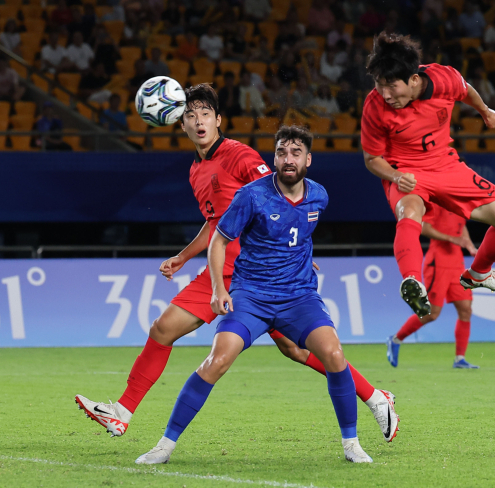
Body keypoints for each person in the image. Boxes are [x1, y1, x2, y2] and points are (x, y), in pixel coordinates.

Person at [75, 84, 399, 446]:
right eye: (190, 116)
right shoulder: (196, 171)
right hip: (225, 268)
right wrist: (184, 256)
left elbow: (276, 196)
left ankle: (374, 397)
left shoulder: (239, 155)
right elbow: (216, 223)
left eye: (205, 115)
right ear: (180, 124)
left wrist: (294, 249)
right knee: (173, 331)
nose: (199, 122)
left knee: (296, 349)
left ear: (218, 120)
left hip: (254, 272)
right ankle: (122, 413)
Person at [134, 125, 376, 465]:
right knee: (216, 361)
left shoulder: (319, 196)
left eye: (295, 153)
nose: (287, 160)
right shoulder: (251, 195)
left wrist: (304, 261)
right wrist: (219, 288)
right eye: (281, 153)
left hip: (298, 298)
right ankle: (165, 445)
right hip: (251, 296)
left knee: (334, 354)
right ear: (273, 157)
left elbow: (299, 235)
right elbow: (219, 240)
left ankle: (351, 444)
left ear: (308, 158)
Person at [360, 32, 495, 319]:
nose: (385, 94)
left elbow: (465, 89)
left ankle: (478, 273)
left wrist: (485, 112)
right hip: (406, 172)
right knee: (409, 211)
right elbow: (371, 159)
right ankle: (412, 281)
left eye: (391, 85)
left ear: (413, 79)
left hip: (447, 167)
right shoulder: (375, 105)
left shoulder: (443, 79)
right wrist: (394, 175)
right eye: (379, 84)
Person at [387, 203, 479, 369]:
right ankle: (395, 339)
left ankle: (459, 358)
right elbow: (424, 228)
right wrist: (451, 238)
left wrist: (470, 246)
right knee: (431, 313)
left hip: (457, 263)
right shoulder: (436, 203)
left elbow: (461, 228)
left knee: (466, 308)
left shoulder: (459, 204)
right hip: (438, 263)